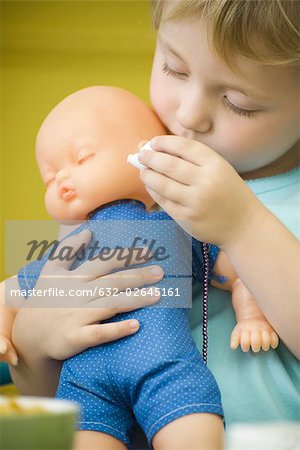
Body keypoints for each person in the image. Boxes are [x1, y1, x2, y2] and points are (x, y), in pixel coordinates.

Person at [5, 0, 300, 446]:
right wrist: (35, 342)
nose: (188, 115)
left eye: (239, 102)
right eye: (174, 69)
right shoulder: (132, 198)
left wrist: (242, 227)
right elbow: (66, 394)